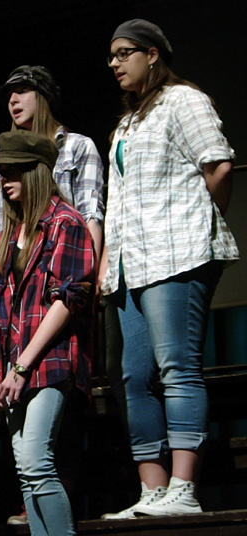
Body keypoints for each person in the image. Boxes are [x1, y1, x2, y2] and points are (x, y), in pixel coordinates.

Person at [100, 19, 238, 519]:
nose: (115, 63)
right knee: (134, 377)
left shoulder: (184, 100)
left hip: (177, 254)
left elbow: (217, 165)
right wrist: (108, 264)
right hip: (131, 265)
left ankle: (184, 488)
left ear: (153, 54)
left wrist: (199, 222)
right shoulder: (127, 122)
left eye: (124, 53)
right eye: (111, 56)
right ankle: (153, 490)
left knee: (177, 368)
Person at [0, 131, 95, 536]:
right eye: (1, 171)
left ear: (37, 172)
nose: (4, 179)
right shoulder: (10, 233)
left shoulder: (66, 223)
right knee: (26, 472)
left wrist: (22, 366)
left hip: (49, 360)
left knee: (36, 462)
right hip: (11, 364)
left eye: (13, 171)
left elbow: (67, 299)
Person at [0, 65, 104, 268]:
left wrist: (89, 273)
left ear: (43, 96)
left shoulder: (77, 147)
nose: (13, 100)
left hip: (60, 266)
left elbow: (90, 214)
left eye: (22, 91)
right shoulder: (2, 165)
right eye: (9, 96)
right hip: (11, 273)